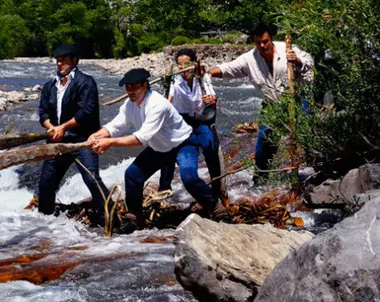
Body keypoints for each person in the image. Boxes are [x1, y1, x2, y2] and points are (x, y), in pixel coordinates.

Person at [88, 68, 225, 230]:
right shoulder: (129, 105)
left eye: (134, 87)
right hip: (160, 147)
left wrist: (109, 143)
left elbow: (141, 138)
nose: (130, 91)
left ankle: (217, 208)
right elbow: (115, 126)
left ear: (145, 86)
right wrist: (97, 135)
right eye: (127, 87)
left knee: (189, 178)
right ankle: (134, 218)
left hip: (183, 144)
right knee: (132, 175)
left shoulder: (158, 104)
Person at [206, 22, 313, 180]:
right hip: (272, 103)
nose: (262, 46)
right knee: (264, 142)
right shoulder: (250, 59)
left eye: (265, 41)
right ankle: (261, 180)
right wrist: (208, 73)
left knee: (307, 135)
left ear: (271, 39)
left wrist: (297, 60)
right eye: (258, 43)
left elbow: (309, 63)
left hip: (297, 98)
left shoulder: (288, 49)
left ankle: (316, 170)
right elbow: (228, 69)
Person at [36, 44, 110, 224]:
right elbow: (43, 113)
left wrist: (63, 127)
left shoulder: (86, 82)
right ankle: (43, 221)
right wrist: (51, 127)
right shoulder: (50, 85)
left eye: (64, 61)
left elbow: (86, 112)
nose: (60, 64)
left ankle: (109, 217)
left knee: (92, 179)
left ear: (75, 61)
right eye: (58, 61)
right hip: (57, 141)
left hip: (83, 140)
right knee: (46, 184)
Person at [159, 49, 223, 199]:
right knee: (168, 147)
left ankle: (217, 186)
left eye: (186, 64)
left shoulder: (202, 78)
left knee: (210, 146)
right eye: (180, 65)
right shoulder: (174, 80)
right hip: (181, 121)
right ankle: (164, 187)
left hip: (200, 119)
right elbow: (169, 98)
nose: (183, 68)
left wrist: (211, 99)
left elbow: (212, 96)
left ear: (193, 64)